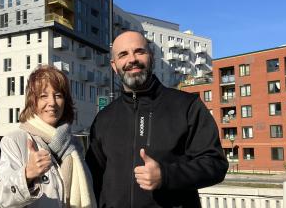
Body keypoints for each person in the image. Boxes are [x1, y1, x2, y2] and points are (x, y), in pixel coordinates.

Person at [86, 31, 228, 208]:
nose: (132, 59)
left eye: (139, 51)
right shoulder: (103, 119)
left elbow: (215, 164)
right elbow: (93, 178)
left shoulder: (187, 106)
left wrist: (166, 175)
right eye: (123, 54)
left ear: (151, 56)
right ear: (114, 66)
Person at [0, 65, 96, 208]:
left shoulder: (74, 144)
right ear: (32, 102)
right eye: (43, 96)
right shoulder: (16, 140)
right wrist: (27, 174)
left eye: (58, 95)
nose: (52, 103)